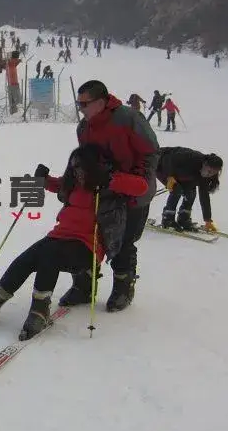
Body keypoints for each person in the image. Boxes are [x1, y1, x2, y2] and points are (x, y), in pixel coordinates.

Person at [0, 145, 148, 339]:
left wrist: (110, 179)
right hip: (58, 236)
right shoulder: (74, 183)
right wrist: (44, 180)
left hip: (87, 246)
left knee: (49, 256)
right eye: (74, 167)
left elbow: (142, 187)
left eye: (80, 167)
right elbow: (58, 185)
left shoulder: (106, 185)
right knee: (27, 258)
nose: (77, 172)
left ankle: (39, 311)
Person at [58, 80, 158, 313]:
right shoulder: (84, 128)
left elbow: (151, 153)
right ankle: (83, 286)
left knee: (123, 241)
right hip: (101, 193)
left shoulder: (128, 119)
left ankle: (123, 287)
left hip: (132, 195)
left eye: (85, 104)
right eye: (79, 103)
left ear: (101, 102)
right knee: (87, 238)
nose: (81, 108)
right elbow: (84, 160)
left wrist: (132, 183)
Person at [156, 147, 222, 232]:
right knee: (176, 189)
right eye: (209, 171)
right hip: (161, 164)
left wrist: (207, 220)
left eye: (213, 173)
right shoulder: (192, 158)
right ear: (204, 164)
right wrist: (170, 176)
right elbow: (168, 158)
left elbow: (204, 196)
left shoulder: (206, 176)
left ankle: (183, 219)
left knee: (191, 192)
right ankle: (168, 219)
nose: (209, 175)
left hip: (180, 174)